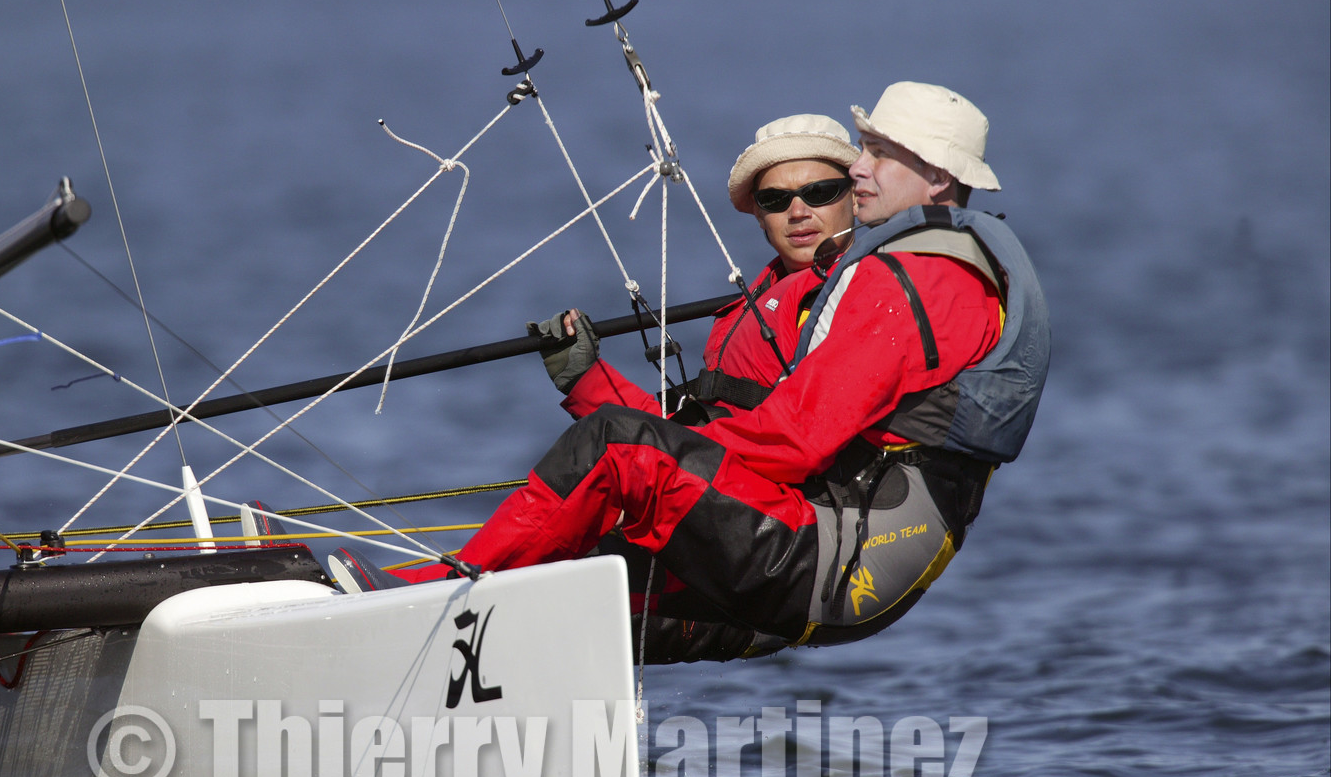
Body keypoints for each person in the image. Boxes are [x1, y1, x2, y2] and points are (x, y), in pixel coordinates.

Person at [357, 83, 1049, 664]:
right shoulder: (910, 272)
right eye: (778, 199)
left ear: (938, 177)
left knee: (615, 449)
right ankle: (409, 636)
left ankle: (416, 604)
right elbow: (716, 441)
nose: (859, 170)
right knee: (568, 592)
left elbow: (792, 443)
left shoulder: (911, 278)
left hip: (831, 560)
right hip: (831, 561)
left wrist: (625, 444)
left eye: (874, 157)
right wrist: (595, 389)